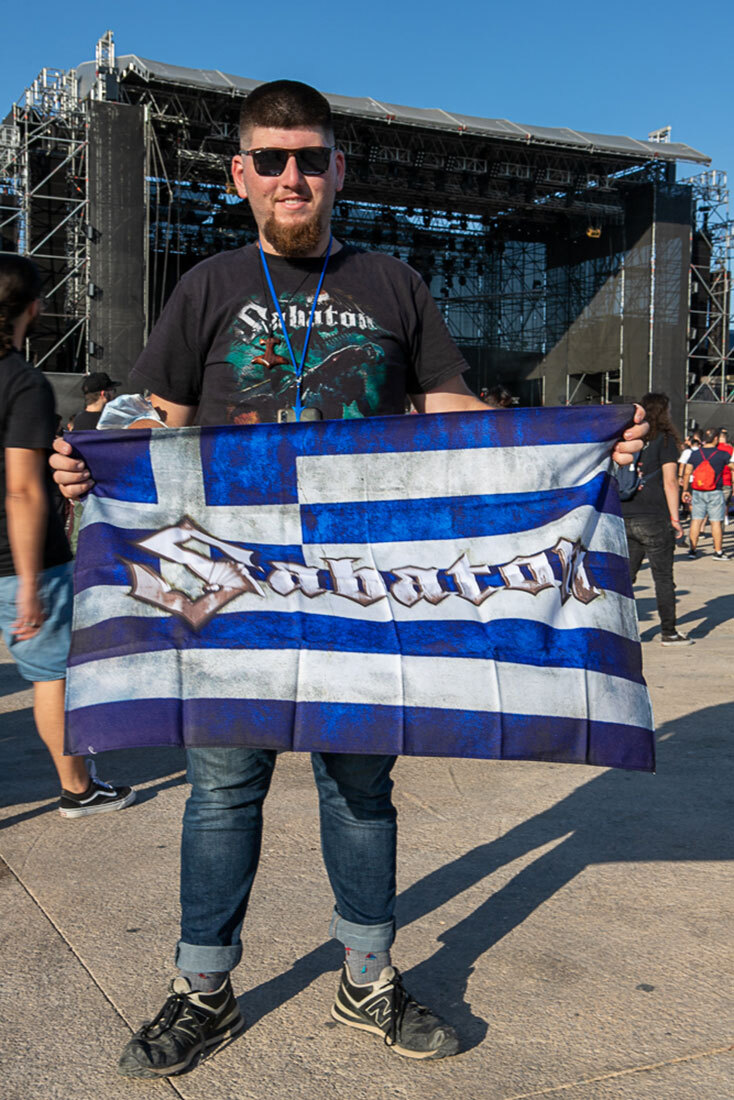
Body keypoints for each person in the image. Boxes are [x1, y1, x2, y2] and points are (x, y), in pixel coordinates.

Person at [50, 80, 648, 1076]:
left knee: (361, 789)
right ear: (240, 174)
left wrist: (584, 446)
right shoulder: (207, 285)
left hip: (359, 585)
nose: (292, 176)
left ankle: (366, 976)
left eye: (309, 158)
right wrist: (91, 461)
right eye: (271, 159)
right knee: (220, 792)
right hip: (233, 587)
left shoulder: (391, 283)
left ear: (338, 169)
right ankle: (203, 988)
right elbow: (160, 420)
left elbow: (456, 414)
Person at [0, 254, 135, 817]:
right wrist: (31, 582)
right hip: (18, 561)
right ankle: (78, 788)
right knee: (51, 677)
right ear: (34, 309)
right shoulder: (22, 383)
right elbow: (23, 491)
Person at [620, 393, 690, 646]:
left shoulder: (628, 438)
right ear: (664, 412)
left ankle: (621, 631)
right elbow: (670, 482)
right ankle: (669, 632)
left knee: (625, 580)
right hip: (654, 517)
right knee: (662, 578)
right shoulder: (665, 439)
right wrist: (676, 519)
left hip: (626, 513)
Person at [682, 427, 732, 559]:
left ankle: (692, 550)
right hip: (715, 491)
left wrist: (685, 490)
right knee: (716, 522)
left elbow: (687, 472)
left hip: (697, 491)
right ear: (716, 438)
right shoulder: (722, 454)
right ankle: (718, 551)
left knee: (696, 520)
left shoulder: (695, 454)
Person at [717, 427, 733, 525]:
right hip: (727, 479)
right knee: (726, 501)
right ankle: (725, 516)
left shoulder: (714, 448)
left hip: (714, 479)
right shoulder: (730, 449)